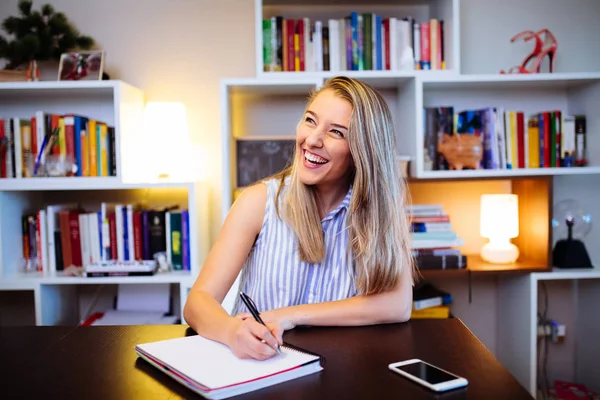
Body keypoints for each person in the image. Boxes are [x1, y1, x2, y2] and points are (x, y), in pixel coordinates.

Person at [183, 76, 415, 361]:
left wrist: (288, 316)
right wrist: (232, 332)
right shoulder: (258, 202)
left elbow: (398, 305)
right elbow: (197, 303)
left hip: (337, 373)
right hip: (259, 369)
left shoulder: (380, 215)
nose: (312, 140)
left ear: (362, 151)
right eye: (310, 120)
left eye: (337, 132)